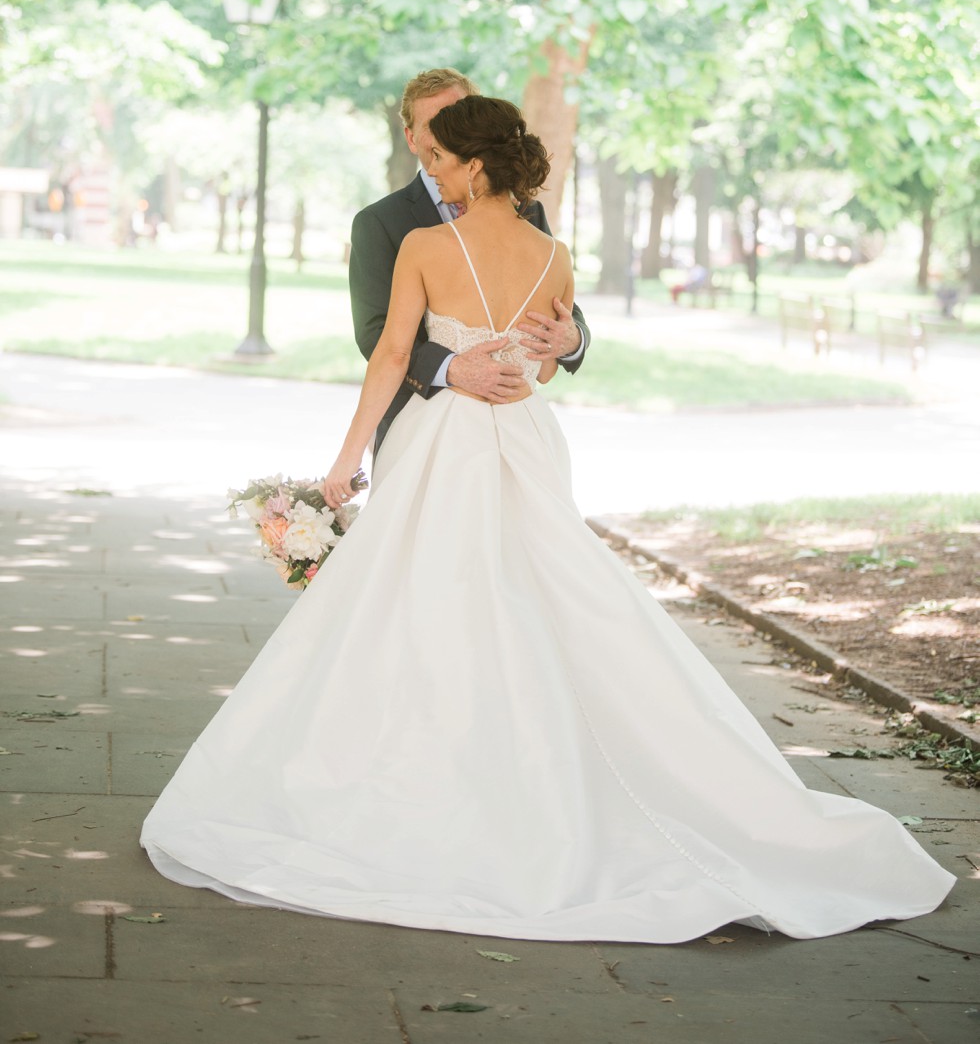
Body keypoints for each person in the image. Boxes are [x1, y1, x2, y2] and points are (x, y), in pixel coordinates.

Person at [141, 98, 954, 944]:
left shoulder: (426, 245)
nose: (439, 175)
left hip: (443, 440)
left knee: (426, 597)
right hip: (526, 434)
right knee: (543, 588)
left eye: (449, 163)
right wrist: (548, 348)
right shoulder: (553, 253)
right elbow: (550, 361)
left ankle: (435, 775)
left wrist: (345, 460)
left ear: (478, 167)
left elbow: (390, 355)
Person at [348, 67, 590, 450]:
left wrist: (571, 339)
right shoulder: (380, 223)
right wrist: (453, 369)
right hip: (420, 430)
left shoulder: (530, 213)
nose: (450, 132)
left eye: (459, 117)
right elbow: (377, 336)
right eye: (435, 125)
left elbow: (559, 312)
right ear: (411, 138)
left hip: (518, 429)